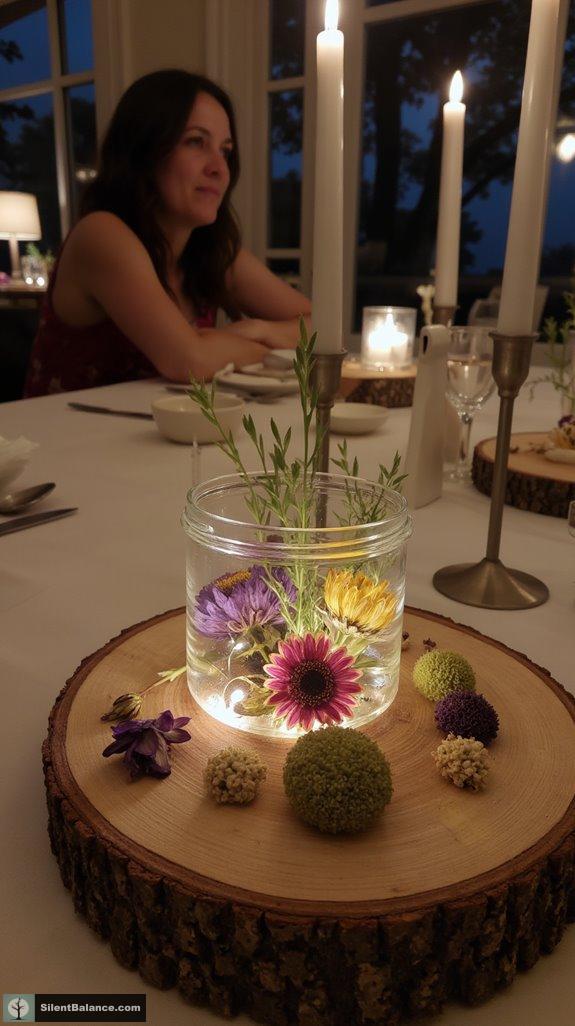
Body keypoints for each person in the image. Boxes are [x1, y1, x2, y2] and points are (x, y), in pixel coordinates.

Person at [24, 69, 311, 397]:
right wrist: (263, 352)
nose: (219, 168)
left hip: (161, 441)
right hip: (61, 442)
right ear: (145, 151)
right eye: (195, 142)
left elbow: (320, 327)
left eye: (225, 150)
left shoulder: (210, 250)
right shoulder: (101, 234)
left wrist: (257, 330)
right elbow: (189, 360)